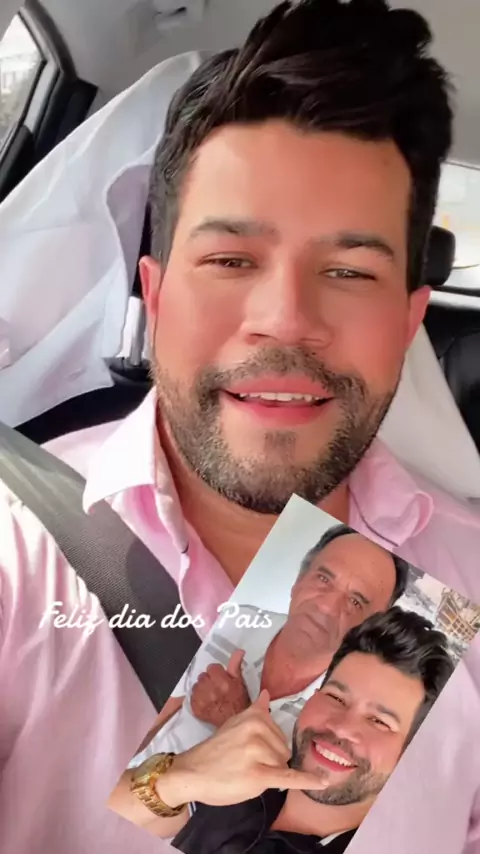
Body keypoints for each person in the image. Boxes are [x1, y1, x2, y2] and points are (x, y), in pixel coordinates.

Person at [1, 2, 480, 853]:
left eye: (348, 271)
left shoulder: (470, 575)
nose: (286, 320)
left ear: (411, 322)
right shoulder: (18, 556)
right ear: (156, 296)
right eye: (229, 260)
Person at [109, 608, 454, 853]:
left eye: (379, 721)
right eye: (335, 697)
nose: (341, 727)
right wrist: (178, 777)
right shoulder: (249, 773)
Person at [131, 524, 410, 764]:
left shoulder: (353, 715)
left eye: (355, 601)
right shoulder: (231, 619)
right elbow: (162, 711)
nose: (326, 607)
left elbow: (276, 805)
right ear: (298, 580)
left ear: (370, 627)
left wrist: (235, 720)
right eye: (323, 578)